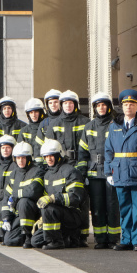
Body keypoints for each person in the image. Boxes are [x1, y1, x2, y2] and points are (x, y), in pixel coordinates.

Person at [104, 89, 137, 252]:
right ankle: (126, 239)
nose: (128, 107)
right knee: (124, 208)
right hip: (119, 172)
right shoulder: (114, 126)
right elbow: (108, 150)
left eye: (132, 104)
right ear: (122, 106)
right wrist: (108, 172)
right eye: (126, 104)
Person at [41, 90, 91, 246]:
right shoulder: (54, 124)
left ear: (75, 105)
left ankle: (82, 236)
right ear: (61, 105)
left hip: (80, 164)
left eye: (71, 103)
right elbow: (48, 147)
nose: (68, 106)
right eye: (65, 103)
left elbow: (88, 148)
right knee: (63, 199)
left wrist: (83, 169)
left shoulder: (85, 122)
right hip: (61, 166)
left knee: (82, 201)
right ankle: (67, 233)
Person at [79, 92, 121, 249]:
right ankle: (100, 238)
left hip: (112, 172)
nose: (101, 108)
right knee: (97, 207)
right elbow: (82, 153)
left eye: (104, 105)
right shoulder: (88, 127)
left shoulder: (116, 125)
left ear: (109, 107)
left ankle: (114, 238)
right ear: (95, 108)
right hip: (94, 173)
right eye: (98, 105)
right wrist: (82, 173)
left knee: (112, 206)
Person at [34, 139, 86, 250]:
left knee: (49, 208)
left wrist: (54, 198)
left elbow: (76, 197)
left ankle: (57, 242)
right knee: (35, 241)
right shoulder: (47, 175)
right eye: (46, 156)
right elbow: (44, 199)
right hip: (54, 216)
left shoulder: (70, 171)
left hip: (72, 215)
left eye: (51, 155)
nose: (49, 159)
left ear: (59, 155)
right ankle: (67, 238)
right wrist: (42, 218)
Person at [2, 142, 45, 248]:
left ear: (29, 158)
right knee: (9, 241)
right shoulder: (13, 174)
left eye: (23, 158)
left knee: (24, 201)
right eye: (18, 158)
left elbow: (33, 192)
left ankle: (28, 236)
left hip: (34, 212)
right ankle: (25, 234)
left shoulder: (38, 171)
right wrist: (6, 218)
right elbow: (6, 197)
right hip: (20, 214)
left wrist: (15, 195)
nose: (20, 161)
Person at [0, 135, 17, 241]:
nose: (5, 150)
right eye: (2, 147)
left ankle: (3, 235)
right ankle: (0, 234)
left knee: (2, 205)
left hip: (10, 198)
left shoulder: (16, 164)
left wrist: (5, 194)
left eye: (8, 147)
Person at [18, 98, 46, 166]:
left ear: (41, 113)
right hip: (30, 166)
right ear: (28, 114)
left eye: (36, 112)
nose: (34, 115)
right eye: (31, 112)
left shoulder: (46, 128)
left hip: (46, 164)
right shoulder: (24, 131)